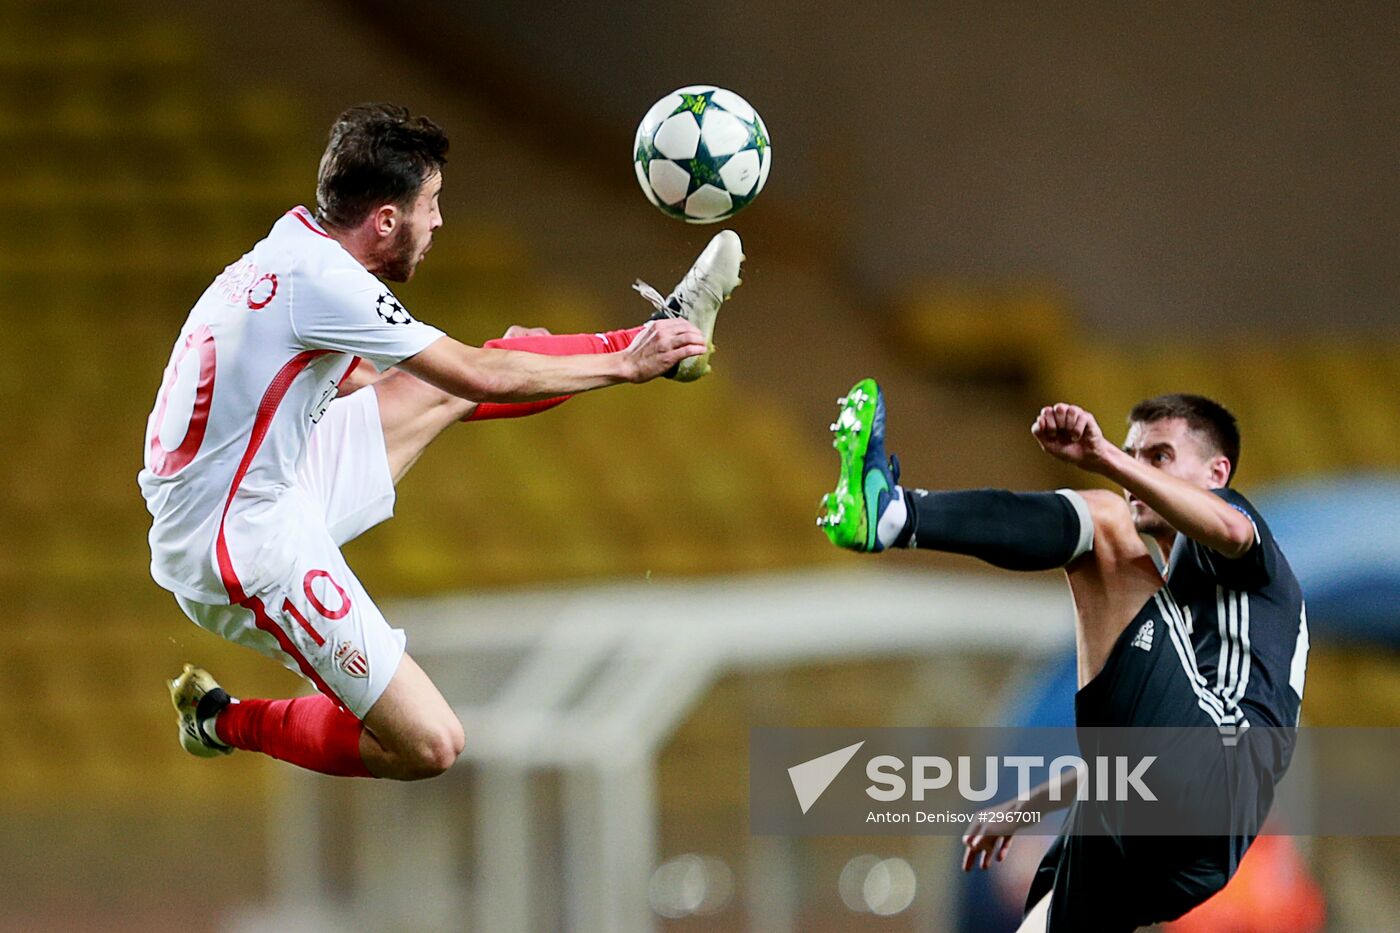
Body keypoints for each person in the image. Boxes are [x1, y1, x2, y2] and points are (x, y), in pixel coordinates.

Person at [142, 103, 744, 781]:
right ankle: (221, 718)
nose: (438, 223)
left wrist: (526, 367)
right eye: (431, 204)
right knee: (429, 742)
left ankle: (667, 334)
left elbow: (408, 384)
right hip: (240, 546)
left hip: (252, 482)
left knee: (438, 385)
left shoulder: (296, 245)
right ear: (387, 220)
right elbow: (478, 373)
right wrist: (611, 370)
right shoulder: (324, 283)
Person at [818, 379, 1310, 932]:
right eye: (1132, 454)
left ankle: (893, 514)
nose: (1137, 472)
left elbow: (1230, 529)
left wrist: (1102, 459)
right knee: (1044, 918)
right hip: (1184, 843)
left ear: (1216, 475)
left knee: (1103, 520)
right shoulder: (1172, 610)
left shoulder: (1242, 546)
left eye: (1160, 456)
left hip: (1214, 777)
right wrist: (1031, 804)